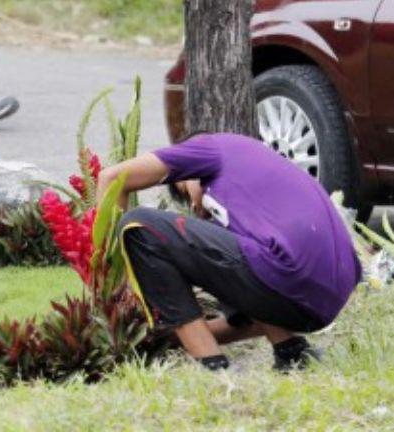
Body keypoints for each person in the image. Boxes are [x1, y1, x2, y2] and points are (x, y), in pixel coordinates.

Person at [101, 133, 361, 372]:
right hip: (323, 299)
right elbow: (247, 323)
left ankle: (213, 367)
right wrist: (166, 337)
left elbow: (112, 178)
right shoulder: (259, 169)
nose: (194, 205)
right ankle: (291, 351)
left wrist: (106, 280)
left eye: (185, 190)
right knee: (240, 241)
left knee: (140, 227)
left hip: (289, 279)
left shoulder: (210, 147)